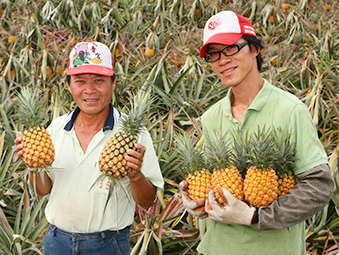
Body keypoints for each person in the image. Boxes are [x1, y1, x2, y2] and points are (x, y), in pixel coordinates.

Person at [179, 11, 334, 254]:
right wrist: (197, 199)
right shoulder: (211, 117)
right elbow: (213, 181)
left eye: (231, 48)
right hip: (217, 248)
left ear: (254, 49)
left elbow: (318, 187)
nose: (222, 60)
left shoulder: (291, 109)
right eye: (214, 54)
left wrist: (254, 216)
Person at [15, 41, 164, 255]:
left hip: (108, 244)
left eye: (99, 80)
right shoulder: (56, 128)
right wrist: (32, 164)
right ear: (69, 85)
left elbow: (147, 200)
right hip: (57, 242)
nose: (90, 90)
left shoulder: (134, 134)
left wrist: (136, 175)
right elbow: (43, 190)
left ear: (113, 84)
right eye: (80, 81)